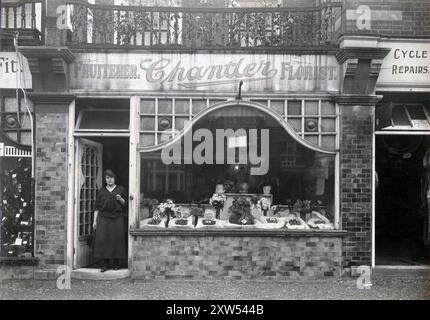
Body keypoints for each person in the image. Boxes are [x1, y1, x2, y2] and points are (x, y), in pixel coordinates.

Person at [93, 169, 127, 272]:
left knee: (116, 240)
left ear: (115, 178)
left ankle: (116, 263)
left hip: (117, 218)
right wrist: (94, 221)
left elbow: (126, 204)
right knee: (103, 241)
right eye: (107, 178)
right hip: (103, 218)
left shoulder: (121, 189)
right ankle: (105, 264)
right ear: (105, 179)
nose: (110, 180)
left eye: (111, 177)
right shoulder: (101, 191)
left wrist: (120, 199)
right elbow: (97, 207)